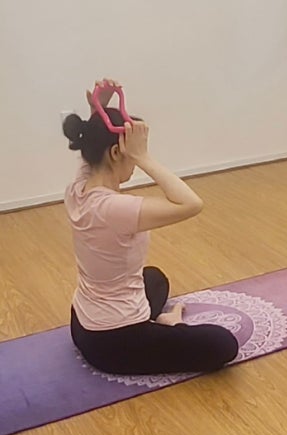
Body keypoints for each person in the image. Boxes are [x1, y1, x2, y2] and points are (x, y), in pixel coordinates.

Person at [61, 79, 238, 375]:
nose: (135, 161)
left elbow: (94, 150)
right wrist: (143, 157)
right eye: (131, 155)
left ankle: (158, 325)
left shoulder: (77, 188)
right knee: (223, 344)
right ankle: (169, 325)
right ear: (116, 153)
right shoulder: (114, 208)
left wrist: (98, 110)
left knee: (155, 279)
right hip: (115, 342)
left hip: (82, 323)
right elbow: (191, 204)